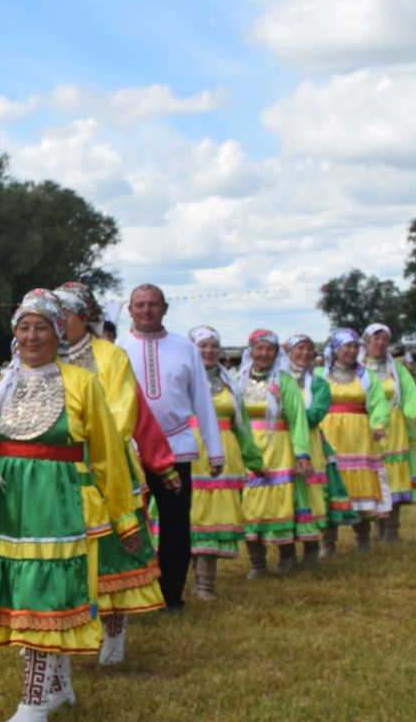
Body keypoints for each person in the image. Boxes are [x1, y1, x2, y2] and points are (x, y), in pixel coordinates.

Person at [0, 290, 140, 722]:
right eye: (24, 327)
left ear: (58, 332)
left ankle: (33, 704)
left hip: (56, 502)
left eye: (42, 326)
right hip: (8, 506)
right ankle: (59, 687)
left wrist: (125, 519)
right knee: (23, 595)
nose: (32, 335)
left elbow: (107, 454)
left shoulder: (82, 383)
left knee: (42, 596)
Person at [53, 283, 169, 666]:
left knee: (111, 550)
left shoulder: (110, 356)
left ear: (83, 318)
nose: (55, 324)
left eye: (63, 317)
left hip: (104, 466)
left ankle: (114, 633)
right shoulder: (46, 358)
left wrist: (88, 446)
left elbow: (121, 413)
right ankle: (60, 631)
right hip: (56, 469)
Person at [122, 286, 226, 611]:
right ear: (130, 310)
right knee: (128, 525)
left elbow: (203, 401)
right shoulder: (116, 349)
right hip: (131, 451)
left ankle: (171, 596)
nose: (147, 310)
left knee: (176, 527)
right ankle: (132, 594)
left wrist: (215, 448)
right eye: (140, 305)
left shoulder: (185, 347)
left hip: (176, 448)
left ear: (165, 308)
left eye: (153, 304)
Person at [184, 328, 263, 595]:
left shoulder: (231, 384)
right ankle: (192, 579)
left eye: (213, 346)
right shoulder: (181, 379)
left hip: (223, 456)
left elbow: (244, 427)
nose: (208, 351)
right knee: (189, 515)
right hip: (191, 454)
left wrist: (254, 460)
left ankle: (206, 583)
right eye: (203, 345)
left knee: (214, 517)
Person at [235, 331, 313, 578]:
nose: (264, 354)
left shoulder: (285, 382)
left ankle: (286, 553)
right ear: (250, 351)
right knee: (248, 504)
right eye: (259, 348)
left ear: (277, 352)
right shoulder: (237, 381)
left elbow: (298, 419)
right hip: (247, 448)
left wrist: (302, 453)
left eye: (270, 349)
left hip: (278, 449)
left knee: (280, 502)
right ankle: (257, 562)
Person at [317, 329, 392, 552]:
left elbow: (379, 403)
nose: (351, 350)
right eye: (346, 346)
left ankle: (363, 539)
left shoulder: (366, 376)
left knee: (360, 485)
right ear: (335, 349)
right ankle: (328, 543)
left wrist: (379, 424)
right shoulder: (320, 375)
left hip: (359, 437)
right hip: (328, 435)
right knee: (331, 482)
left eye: (354, 346)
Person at [363, 324, 416, 542]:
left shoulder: (396, 369)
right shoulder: (358, 368)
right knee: (372, 476)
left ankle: (392, 528)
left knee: (394, 477)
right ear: (366, 341)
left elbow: (410, 392)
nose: (380, 343)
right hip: (366, 426)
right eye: (376, 339)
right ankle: (376, 526)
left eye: (384, 340)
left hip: (393, 427)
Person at [282, 333, 337, 562]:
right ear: (288, 352)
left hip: (310, 442)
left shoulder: (319, 383)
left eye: (309, 349)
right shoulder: (277, 381)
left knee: (309, 494)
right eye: (300, 348)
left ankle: (311, 550)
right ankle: (286, 551)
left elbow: (315, 414)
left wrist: (287, 415)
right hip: (280, 444)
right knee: (284, 493)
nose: (305, 353)